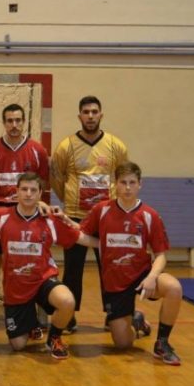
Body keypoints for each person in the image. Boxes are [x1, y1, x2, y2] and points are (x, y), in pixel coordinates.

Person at [77, 162, 183, 365]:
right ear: (115, 184)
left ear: (140, 184)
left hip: (142, 275)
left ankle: (162, 343)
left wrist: (152, 277)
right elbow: (81, 234)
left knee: (174, 288)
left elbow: (161, 255)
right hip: (115, 281)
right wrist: (62, 222)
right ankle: (137, 321)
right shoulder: (102, 210)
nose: (127, 187)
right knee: (123, 344)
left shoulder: (150, 215)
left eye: (132, 183)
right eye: (123, 182)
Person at [0, 172, 96, 359]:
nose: (28, 194)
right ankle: (30, 323)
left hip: (43, 280)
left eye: (33, 190)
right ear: (16, 191)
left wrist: (110, 244)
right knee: (18, 345)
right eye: (24, 189)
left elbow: (81, 238)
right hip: (16, 288)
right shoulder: (1, 218)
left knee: (67, 301)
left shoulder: (49, 220)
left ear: (40, 193)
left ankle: (54, 338)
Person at [51, 95, 128, 332]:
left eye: (95, 112)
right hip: (75, 217)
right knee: (73, 270)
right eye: (86, 112)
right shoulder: (66, 146)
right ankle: (69, 316)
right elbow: (57, 178)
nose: (91, 116)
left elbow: (122, 178)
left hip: (107, 219)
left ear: (101, 115)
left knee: (110, 268)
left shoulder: (116, 146)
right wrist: (70, 200)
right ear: (80, 116)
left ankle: (112, 313)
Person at [0, 103, 49, 331]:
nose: (14, 125)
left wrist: (30, 203)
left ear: (24, 121)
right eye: (10, 120)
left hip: (28, 214)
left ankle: (36, 316)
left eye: (18, 120)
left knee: (31, 263)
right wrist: (0, 203)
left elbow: (42, 182)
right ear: (4, 122)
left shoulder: (37, 150)